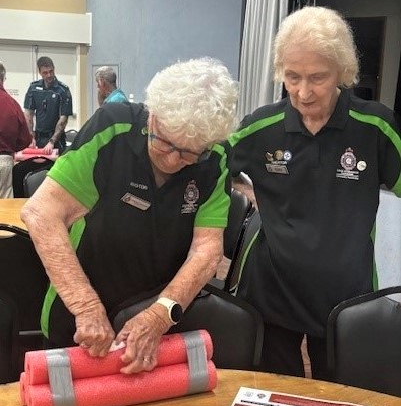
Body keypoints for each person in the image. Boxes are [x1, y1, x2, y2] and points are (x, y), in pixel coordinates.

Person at [21, 57, 238, 374]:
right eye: (166, 143)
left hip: (157, 311)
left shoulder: (215, 158)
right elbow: (41, 213)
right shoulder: (113, 128)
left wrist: (159, 314)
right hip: (79, 309)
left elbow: (207, 249)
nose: (176, 160)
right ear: (152, 117)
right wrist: (86, 305)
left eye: (191, 152)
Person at [229, 6, 401, 381]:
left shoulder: (375, 126)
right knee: (273, 393)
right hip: (272, 288)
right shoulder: (261, 126)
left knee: (340, 399)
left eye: (317, 78)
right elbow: (208, 169)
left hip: (344, 293)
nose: (303, 92)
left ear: (342, 72)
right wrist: (239, 191)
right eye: (292, 77)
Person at [24, 56, 73, 154]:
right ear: (39, 72)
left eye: (51, 71)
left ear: (54, 69)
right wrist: (31, 136)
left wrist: (52, 141)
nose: (49, 75)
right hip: (38, 137)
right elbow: (28, 114)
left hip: (56, 139)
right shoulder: (33, 88)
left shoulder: (63, 90)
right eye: (45, 73)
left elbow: (63, 119)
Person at [0, 62, 31, 197]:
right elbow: (25, 139)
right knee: (5, 207)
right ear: (3, 78)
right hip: (4, 160)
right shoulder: (12, 103)